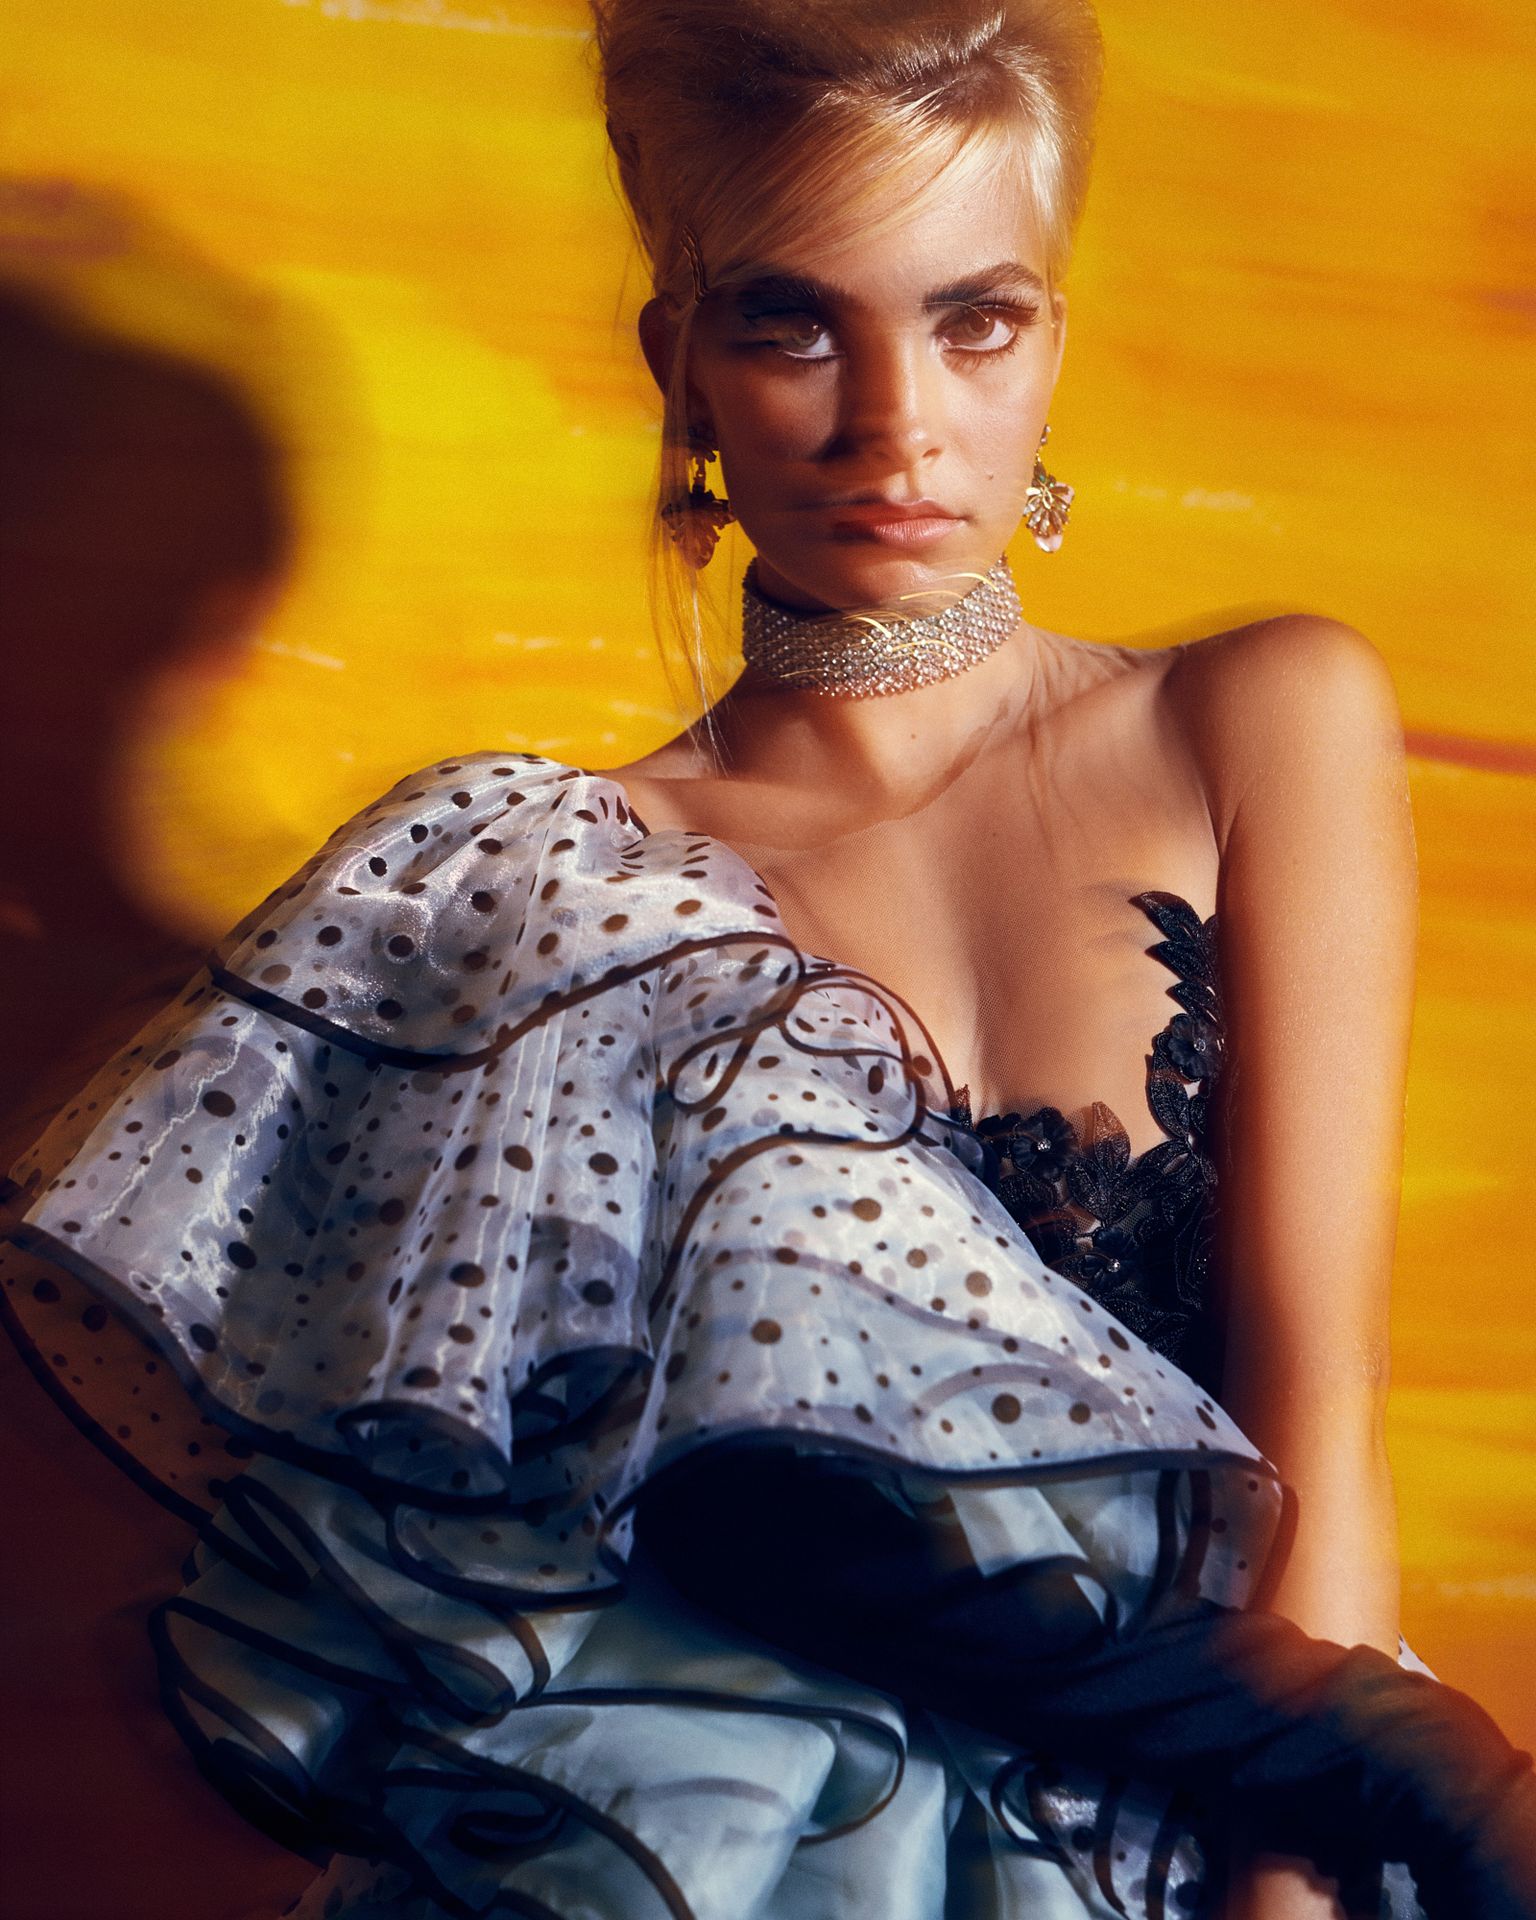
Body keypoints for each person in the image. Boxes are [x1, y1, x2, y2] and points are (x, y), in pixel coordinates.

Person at [0, 3, 1532, 1918]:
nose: (898, 425)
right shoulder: (551, 891)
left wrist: (1291, 1892)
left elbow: (1324, 1412)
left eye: (976, 320)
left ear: (1054, 336)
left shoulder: (1260, 718)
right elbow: (593, 1564)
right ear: (684, 363)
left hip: (1260, 1821)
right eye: (796, 323)